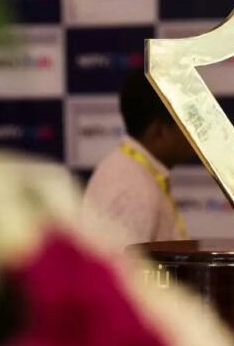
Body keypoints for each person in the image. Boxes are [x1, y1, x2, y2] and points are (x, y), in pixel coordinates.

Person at [81, 69, 196, 248]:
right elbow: (121, 265)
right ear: (159, 131)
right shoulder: (133, 190)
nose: (195, 132)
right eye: (187, 122)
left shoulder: (132, 172)